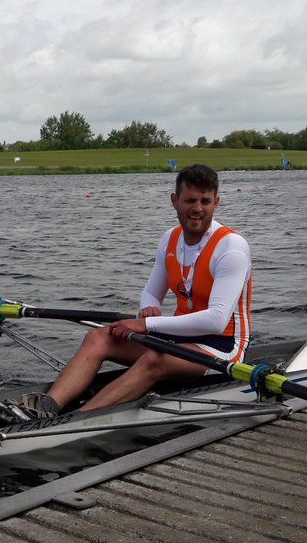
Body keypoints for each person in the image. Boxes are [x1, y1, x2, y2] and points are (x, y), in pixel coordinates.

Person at [22, 164, 252, 417]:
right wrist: (148, 307)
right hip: (183, 338)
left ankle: (75, 421)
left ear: (216, 202)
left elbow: (216, 321)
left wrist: (147, 324)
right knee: (98, 338)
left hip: (223, 347)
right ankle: (46, 408)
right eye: (190, 200)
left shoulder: (231, 247)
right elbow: (152, 292)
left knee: (155, 358)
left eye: (205, 201)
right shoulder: (170, 239)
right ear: (175, 201)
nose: (198, 209)